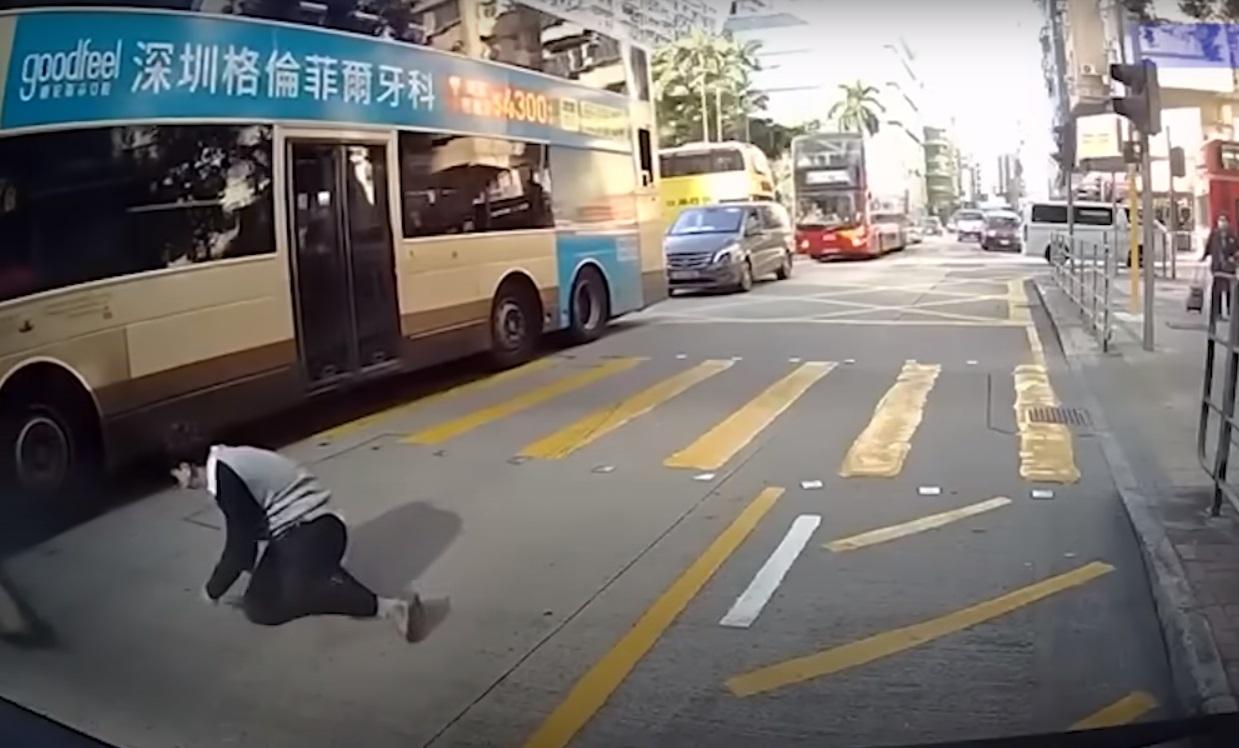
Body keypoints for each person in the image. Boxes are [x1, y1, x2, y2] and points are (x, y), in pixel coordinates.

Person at [169, 433, 425, 641]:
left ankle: (389, 607)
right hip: (294, 536)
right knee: (260, 607)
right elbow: (247, 537)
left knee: (300, 593)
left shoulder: (225, 475)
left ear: (185, 467)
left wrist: (213, 589)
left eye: (176, 477)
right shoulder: (226, 462)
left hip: (316, 528)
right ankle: (320, 573)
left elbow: (240, 546)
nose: (180, 485)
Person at [1203, 214, 1238, 318]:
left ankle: (1229, 311)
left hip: (1229, 268)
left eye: (1224, 221)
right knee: (1216, 291)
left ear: (1228, 223)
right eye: (1220, 221)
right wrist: (1204, 257)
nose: (1222, 223)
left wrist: (1234, 258)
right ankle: (1216, 313)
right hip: (1217, 267)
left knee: (1229, 291)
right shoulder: (1214, 234)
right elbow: (1208, 247)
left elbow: (1237, 250)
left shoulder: (1232, 236)